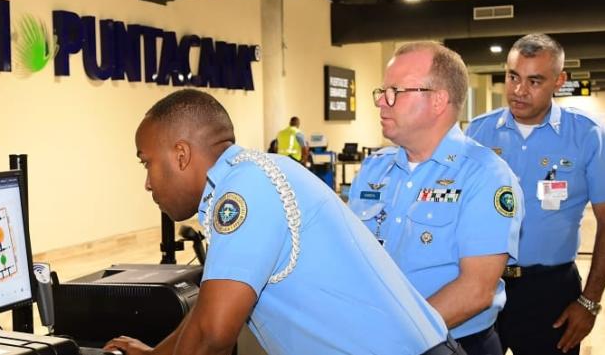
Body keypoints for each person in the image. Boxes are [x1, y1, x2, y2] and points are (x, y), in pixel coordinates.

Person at [106, 89, 461, 355]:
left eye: (146, 162)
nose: (148, 182)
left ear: (181, 154)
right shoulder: (252, 175)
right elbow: (209, 307)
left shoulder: (244, 190)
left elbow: (212, 335)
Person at [466, 33, 605, 355]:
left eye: (534, 81)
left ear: (559, 81)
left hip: (549, 291)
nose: (518, 91)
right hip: (482, 284)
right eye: (513, 77)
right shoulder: (477, 132)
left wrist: (589, 303)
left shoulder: (588, 135)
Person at [347, 41, 523, 355]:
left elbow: (476, 290)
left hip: (453, 343)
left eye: (395, 92)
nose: (381, 103)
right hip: (371, 339)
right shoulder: (374, 169)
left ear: (438, 100)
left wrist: (394, 336)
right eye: (381, 91)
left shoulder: (485, 175)